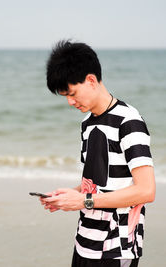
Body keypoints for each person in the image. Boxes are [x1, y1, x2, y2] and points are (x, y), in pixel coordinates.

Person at [40, 40, 156, 267]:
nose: (69, 101)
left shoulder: (128, 121)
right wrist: (68, 197)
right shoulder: (87, 124)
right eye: (64, 96)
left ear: (91, 80)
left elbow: (146, 190)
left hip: (117, 247)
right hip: (85, 241)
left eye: (72, 93)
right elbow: (97, 185)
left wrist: (84, 200)